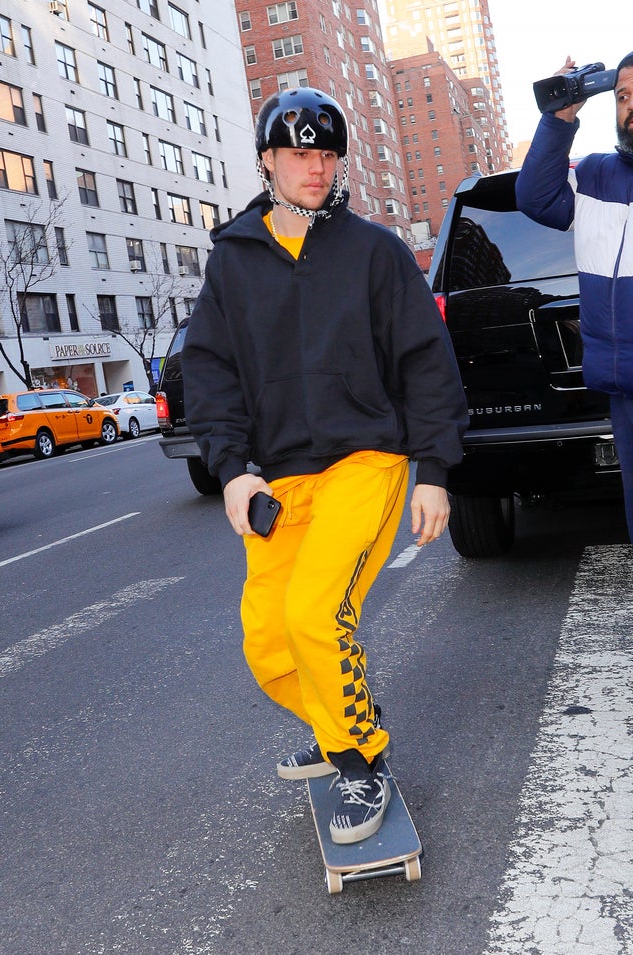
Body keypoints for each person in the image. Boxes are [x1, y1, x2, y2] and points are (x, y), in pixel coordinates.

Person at [182, 87, 468, 844]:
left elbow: (426, 363)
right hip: (279, 476)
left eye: (327, 153)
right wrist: (233, 468)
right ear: (267, 160)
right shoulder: (233, 262)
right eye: (299, 152)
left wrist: (433, 468)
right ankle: (342, 717)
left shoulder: (374, 252)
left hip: (365, 460)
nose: (315, 167)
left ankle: (360, 759)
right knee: (268, 641)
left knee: (316, 612)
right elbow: (208, 374)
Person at [516, 53, 633, 541]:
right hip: (626, 388)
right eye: (623, 97)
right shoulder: (594, 175)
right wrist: (561, 114)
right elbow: (536, 197)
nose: (630, 106)